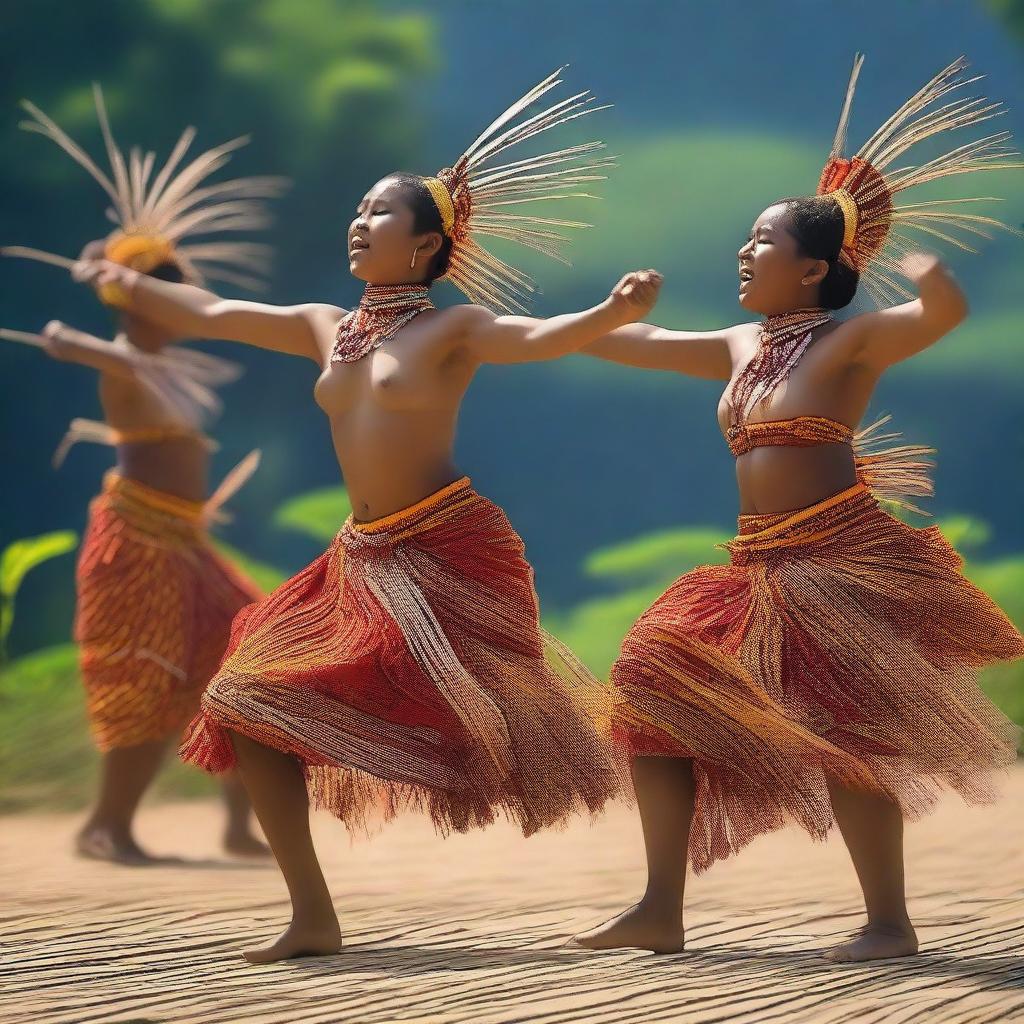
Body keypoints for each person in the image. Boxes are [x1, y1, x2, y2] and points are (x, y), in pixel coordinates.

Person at [71, 69, 662, 961]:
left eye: (378, 215)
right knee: (239, 703)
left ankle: (650, 869)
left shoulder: (452, 332)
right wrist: (127, 283)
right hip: (357, 559)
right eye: (358, 210)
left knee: (498, 721)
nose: (358, 223)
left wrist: (612, 312)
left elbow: (542, 337)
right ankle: (312, 914)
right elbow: (214, 312)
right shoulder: (325, 324)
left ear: (426, 247)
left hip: (445, 552)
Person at [572, 55, 1024, 961]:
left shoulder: (851, 340)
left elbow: (936, 320)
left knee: (844, 729)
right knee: (652, 678)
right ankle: (660, 909)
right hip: (755, 565)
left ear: (815, 267)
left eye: (761, 242)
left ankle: (889, 924)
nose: (743, 253)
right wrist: (611, 312)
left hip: (838, 560)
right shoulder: (742, 342)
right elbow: (644, 346)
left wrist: (937, 281)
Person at [5, 85, 287, 863]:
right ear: (136, 301)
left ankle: (237, 822)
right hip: (141, 546)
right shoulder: (128, 364)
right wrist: (83, 323)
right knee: (147, 680)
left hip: (185, 546)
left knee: (248, 660)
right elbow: (89, 345)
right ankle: (108, 825)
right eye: (168, 293)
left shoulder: (161, 365)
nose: (186, 305)